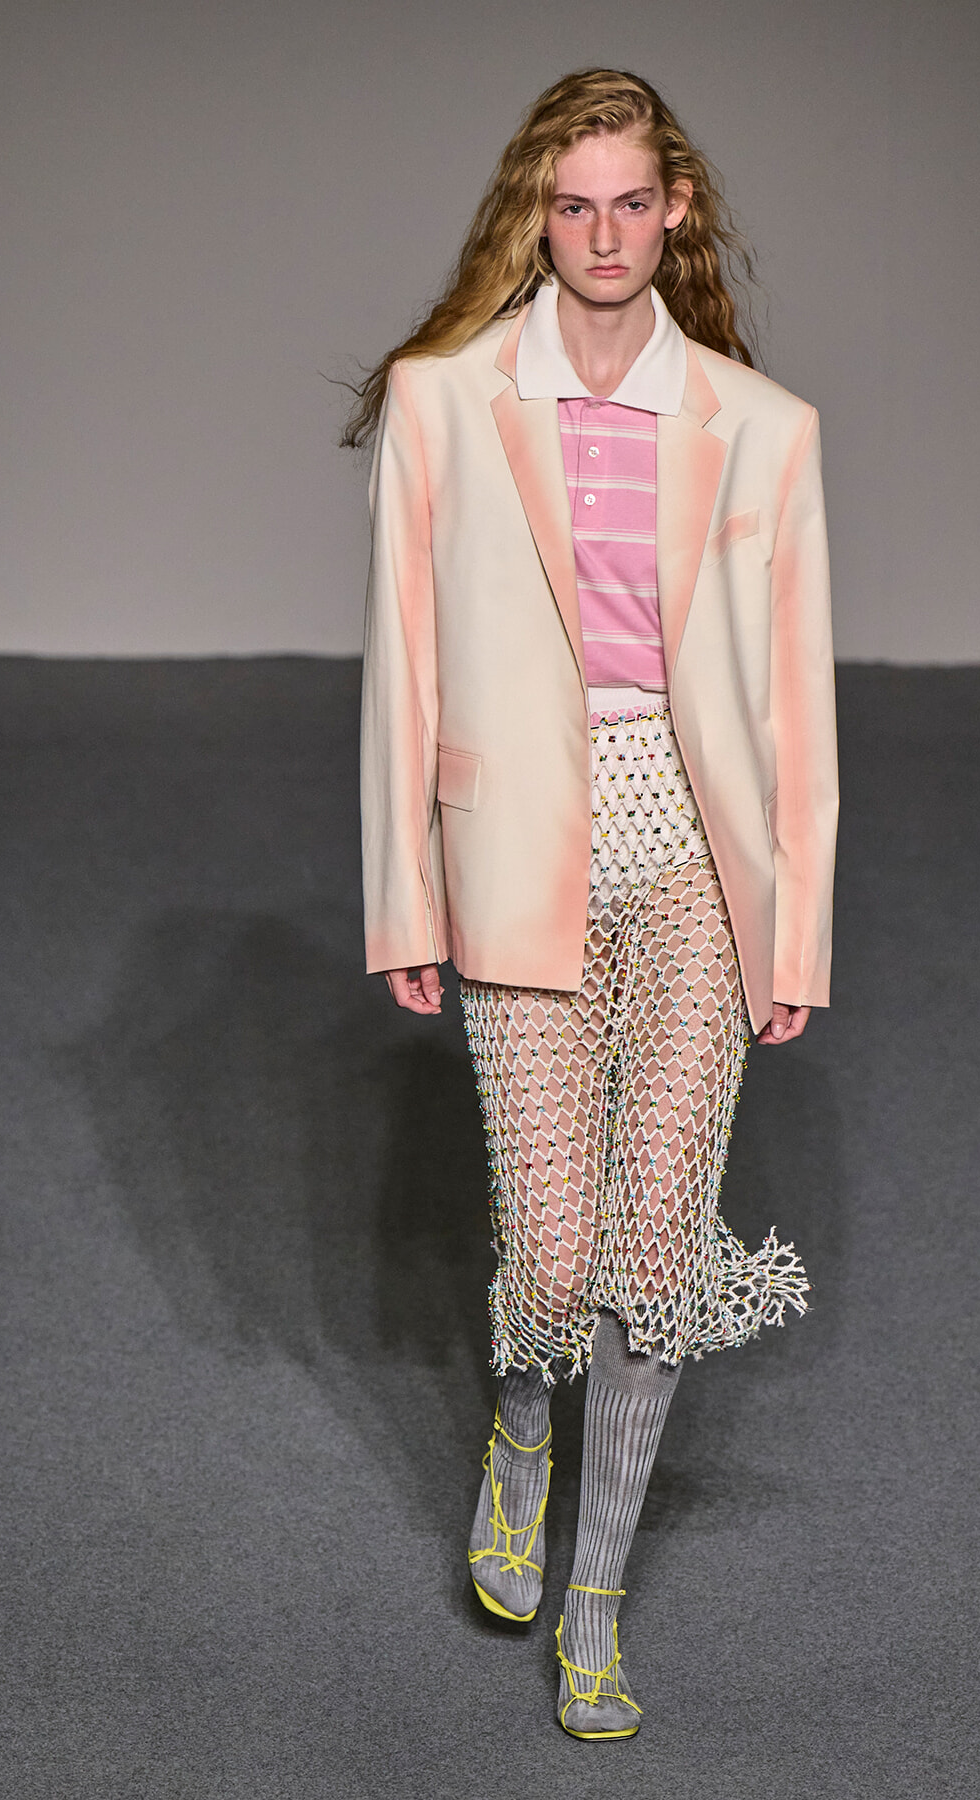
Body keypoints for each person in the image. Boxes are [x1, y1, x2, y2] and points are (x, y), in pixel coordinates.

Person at [345, 67, 837, 1740]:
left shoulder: (763, 428)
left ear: (675, 211)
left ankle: (599, 1603)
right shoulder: (445, 400)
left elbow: (795, 704)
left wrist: (794, 925)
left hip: (698, 860)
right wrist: (406, 899)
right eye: (575, 206)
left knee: (652, 1255)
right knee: (552, 1265)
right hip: (518, 855)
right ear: (535, 216)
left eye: (634, 203)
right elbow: (404, 667)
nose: (606, 235)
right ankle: (521, 1425)